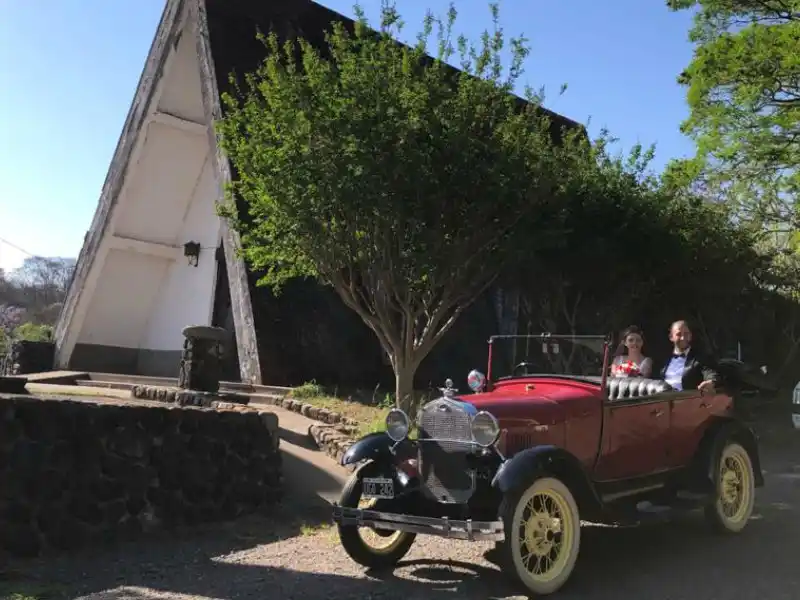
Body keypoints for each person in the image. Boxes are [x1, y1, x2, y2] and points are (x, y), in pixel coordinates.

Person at [660, 319, 719, 393]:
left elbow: (710, 372)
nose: (683, 338)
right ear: (671, 337)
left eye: (686, 334)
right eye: (678, 334)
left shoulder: (700, 357)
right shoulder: (663, 360)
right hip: (663, 398)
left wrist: (711, 382)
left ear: (690, 335)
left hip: (686, 398)